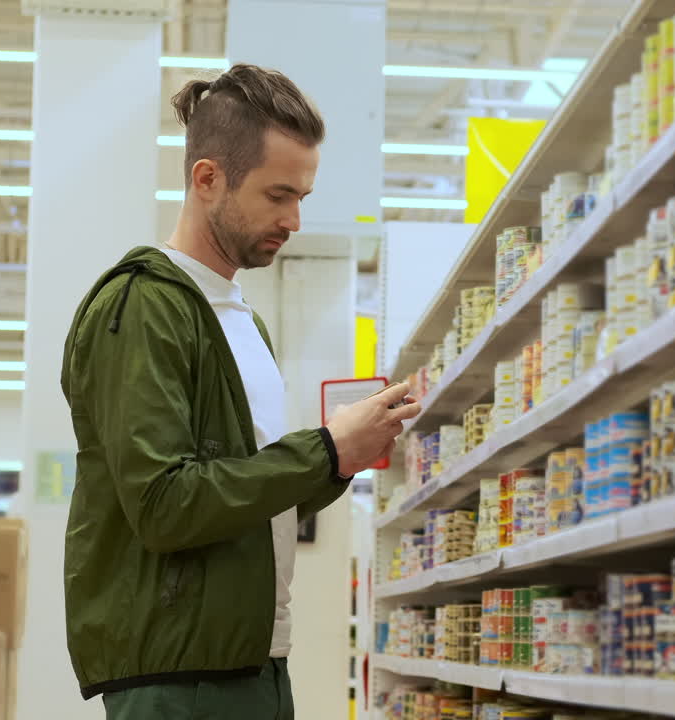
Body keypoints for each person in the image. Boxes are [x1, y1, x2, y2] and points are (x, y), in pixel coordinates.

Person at [60, 63, 419, 720]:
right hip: (181, 679)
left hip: (251, 661)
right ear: (207, 179)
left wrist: (346, 449)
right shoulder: (144, 306)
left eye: (303, 197)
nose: (295, 220)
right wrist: (322, 451)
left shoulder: (241, 320)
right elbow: (166, 504)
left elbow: (246, 492)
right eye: (278, 194)